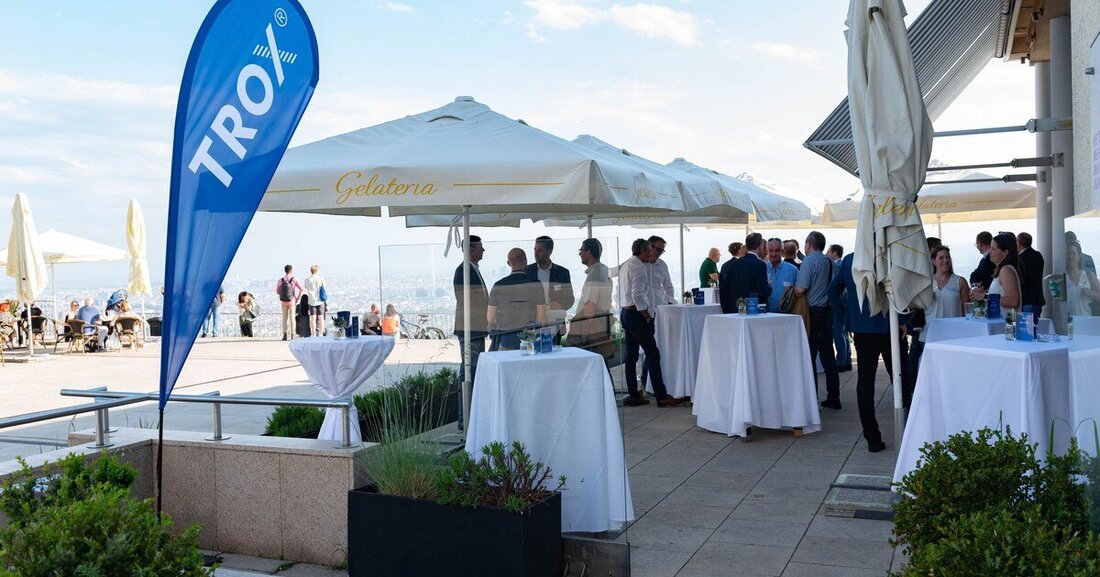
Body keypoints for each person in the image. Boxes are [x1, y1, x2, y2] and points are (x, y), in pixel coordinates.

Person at [829, 253, 909, 453]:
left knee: (865, 383)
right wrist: (903, 320)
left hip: (863, 328)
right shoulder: (889, 255)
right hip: (890, 326)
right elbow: (902, 289)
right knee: (901, 380)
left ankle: (872, 437)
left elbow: (833, 291)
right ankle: (909, 429)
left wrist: (847, 315)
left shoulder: (849, 260)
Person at [619, 238, 683, 408]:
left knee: (632, 355)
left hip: (627, 312)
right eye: (651, 249)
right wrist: (645, 313)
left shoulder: (627, 264)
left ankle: (634, 394)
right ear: (644, 250)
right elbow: (637, 294)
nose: (655, 253)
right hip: (637, 314)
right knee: (653, 353)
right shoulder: (639, 267)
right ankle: (661, 396)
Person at [909, 246, 969, 383]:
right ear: (933, 261)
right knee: (931, 373)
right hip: (929, 334)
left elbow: (968, 310)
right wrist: (924, 298)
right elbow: (911, 305)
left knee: (951, 373)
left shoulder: (960, 281)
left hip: (953, 335)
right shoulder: (926, 282)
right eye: (941, 258)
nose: (945, 261)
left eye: (947, 257)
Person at [796, 231, 840, 409]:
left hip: (813, 313)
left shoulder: (809, 261)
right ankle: (834, 396)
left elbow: (801, 289)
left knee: (810, 356)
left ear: (808, 244)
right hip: (828, 312)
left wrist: (792, 290)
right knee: (828, 357)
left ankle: (811, 397)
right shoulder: (830, 262)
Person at [489, 248, 546, 350]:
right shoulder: (536, 285)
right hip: (530, 339)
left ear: (508, 263)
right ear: (525, 261)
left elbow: (491, 318)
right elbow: (542, 319)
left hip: (506, 339)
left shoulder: (498, 286)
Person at [571, 238, 615, 361]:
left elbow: (589, 309)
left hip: (592, 328)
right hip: (602, 323)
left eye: (581, 250)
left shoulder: (595, 274)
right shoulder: (604, 270)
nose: (579, 253)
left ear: (588, 253)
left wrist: (585, 335)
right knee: (601, 364)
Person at [525, 236, 574, 344]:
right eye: (535, 250)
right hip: (532, 323)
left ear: (549, 251)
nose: (536, 253)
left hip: (554, 323)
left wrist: (560, 305)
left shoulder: (562, 273)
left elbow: (570, 299)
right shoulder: (527, 271)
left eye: (539, 250)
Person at [454, 235, 489, 383]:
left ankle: (470, 395)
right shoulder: (464, 271)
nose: (483, 250)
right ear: (472, 250)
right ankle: (465, 397)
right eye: (481, 247)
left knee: (474, 366)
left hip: (476, 327)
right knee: (470, 367)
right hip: (470, 327)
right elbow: (468, 301)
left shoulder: (472, 269)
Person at [719, 233, 771, 313]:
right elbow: (764, 291)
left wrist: (726, 310)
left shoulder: (735, 264)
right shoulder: (760, 265)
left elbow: (724, 288)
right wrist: (769, 286)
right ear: (760, 245)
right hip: (754, 310)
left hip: (736, 309)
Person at [972, 233, 1022, 310]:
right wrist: (985, 293)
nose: (990, 252)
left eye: (993, 249)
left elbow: (1013, 301)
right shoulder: (1004, 269)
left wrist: (984, 296)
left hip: (1006, 317)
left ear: (1005, 252)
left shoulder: (1006, 270)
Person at [825, 244, 850, 371]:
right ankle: (847, 359)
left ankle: (841, 361)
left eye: (829, 252)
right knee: (843, 331)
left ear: (835, 253)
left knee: (838, 331)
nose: (827, 254)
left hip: (838, 302)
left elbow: (835, 287)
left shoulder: (838, 266)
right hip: (843, 302)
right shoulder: (842, 265)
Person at [764, 238, 798, 313]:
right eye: (771, 250)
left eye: (777, 250)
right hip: (766, 315)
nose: (774, 254)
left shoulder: (793, 270)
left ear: (782, 252)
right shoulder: (762, 269)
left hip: (788, 315)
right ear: (767, 251)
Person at [1066, 241, 1100, 317]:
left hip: (1087, 321)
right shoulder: (1062, 279)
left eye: (1074, 253)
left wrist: (1091, 293)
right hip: (1068, 322)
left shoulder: (1089, 276)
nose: (1071, 256)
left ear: (1079, 257)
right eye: (1068, 253)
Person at [1016, 232, 1046, 318]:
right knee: (1035, 322)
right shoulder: (1038, 255)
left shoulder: (1020, 259)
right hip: (1038, 297)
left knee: (1027, 324)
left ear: (1019, 243)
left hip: (1026, 299)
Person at [648, 236, 678, 307]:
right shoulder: (640, 265)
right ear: (650, 247)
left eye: (662, 250)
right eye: (658, 249)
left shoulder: (662, 265)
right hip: (642, 307)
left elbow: (668, 286)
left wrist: (670, 303)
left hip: (659, 305)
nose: (660, 253)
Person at [276, 265, 303, 341]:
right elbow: (301, 289)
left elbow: (277, 291)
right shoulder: (294, 279)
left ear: (285, 271)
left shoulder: (280, 280)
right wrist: (297, 299)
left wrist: (283, 294)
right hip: (292, 301)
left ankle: (284, 335)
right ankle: (292, 335)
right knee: (292, 318)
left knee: (284, 318)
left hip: (283, 302)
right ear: (291, 270)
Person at [303, 265, 326, 337]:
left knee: (312, 318)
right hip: (320, 300)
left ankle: (313, 334)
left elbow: (306, 287)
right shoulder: (321, 279)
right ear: (317, 271)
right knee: (321, 318)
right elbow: (324, 287)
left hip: (312, 300)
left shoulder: (307, 280)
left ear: (311, 271)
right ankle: (321, 333)